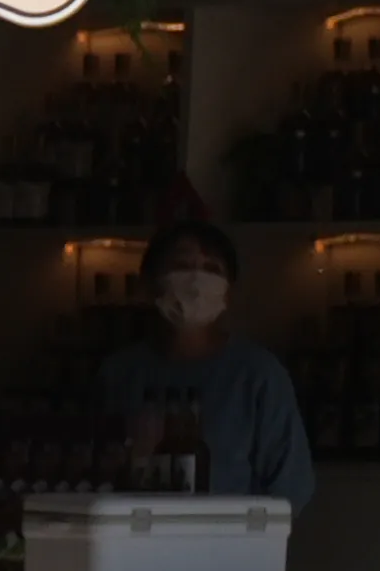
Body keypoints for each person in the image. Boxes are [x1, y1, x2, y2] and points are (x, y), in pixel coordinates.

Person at [98, 212, 314, 507]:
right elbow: (93, 475)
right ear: (148, 284)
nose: (196, 281)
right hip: (133, 542)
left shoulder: (258, 376)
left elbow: (290, 490)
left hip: (227, 546)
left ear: (229, 291)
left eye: (212, 269)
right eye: (181, 266)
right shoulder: (119, 374)